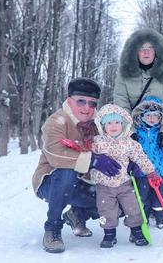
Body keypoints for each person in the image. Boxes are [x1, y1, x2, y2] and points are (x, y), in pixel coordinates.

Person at [32, 77, 122, 253]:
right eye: (81, 101)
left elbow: (116, 141)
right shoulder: (56, 121)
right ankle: (52, 229)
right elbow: (56, 155)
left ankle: (77, 215)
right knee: (67, 172)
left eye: (92, 103)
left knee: (117, 194)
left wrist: (129, 156)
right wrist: (93, 160)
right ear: (69, 100)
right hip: (51, 181)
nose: (87, 108)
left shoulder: (99, 124)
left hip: (83, 183)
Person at [90, 103, 162, 248]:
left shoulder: (130, 143)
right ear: (103, 126)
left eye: (117, 122)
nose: (113, 126)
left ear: (124, 124)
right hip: (103, 186)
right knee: (106, 211)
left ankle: (136, 232)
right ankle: (109, 234)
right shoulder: (97, 142)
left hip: (124, 183)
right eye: (109, 123)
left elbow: (141, 158)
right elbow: (86, 155)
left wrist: (151, 172)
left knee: (134, 208)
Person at [113, 28, 163, 149]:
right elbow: (121, 103)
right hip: (133, 136)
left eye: (150, 48)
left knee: (157, 166)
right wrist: (130, 131)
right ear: (135, 52)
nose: (146, 52)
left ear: (156, 52)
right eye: (142, 49)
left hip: (158, 135)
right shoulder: (123, 75)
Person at [132, 96, 163, 229]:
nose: (152, 119)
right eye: (148, 115)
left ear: (161, 118)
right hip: (142, 172)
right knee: (142, 196)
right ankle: (143, 218)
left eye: (155, 116)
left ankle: (161, 217)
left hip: (160, 171)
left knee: (161, 196)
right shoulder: (137, 133)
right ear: (142, 116)